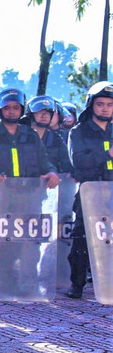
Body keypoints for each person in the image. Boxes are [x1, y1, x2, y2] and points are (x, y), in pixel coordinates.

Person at [0, 88, 60, 278]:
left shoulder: (31, 135)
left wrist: (51, 172)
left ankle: (25, 283)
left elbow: (44, 160)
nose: (11, 111)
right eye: (7, 108)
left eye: (16, 108)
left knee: (27, 243)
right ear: (0, 109)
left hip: (29, 199)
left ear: (22, 110)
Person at [67, 82, 113, 298]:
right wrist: (107, 155)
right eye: (101, 104)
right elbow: (79, 161)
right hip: (90, 193)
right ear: (91, 105)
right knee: (82, 240)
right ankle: (76, 286)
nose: (105, 108)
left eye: (110, 105)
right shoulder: (79, 131)